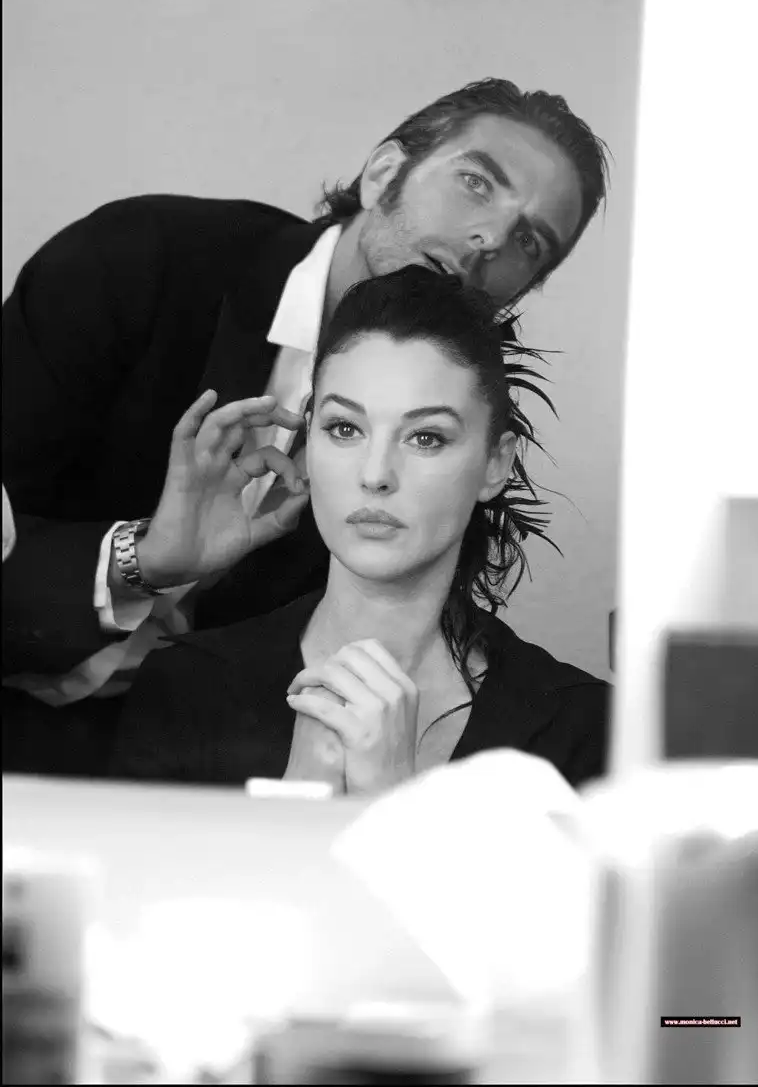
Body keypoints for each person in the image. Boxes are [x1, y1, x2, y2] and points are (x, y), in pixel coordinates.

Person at [2, 77, 609, 757]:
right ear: (383, 173)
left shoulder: (451, 435)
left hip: (200, 761)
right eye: (475, 183)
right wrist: (143, 559)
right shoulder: (140, 260)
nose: (490, 238)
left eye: (530, 241)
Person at [108, 268, 610, 794]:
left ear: (495, 463)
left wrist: (385, 798)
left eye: (426, 438)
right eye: (345, 429)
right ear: (308, 440)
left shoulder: (579, 727)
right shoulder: (186, 687)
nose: (375, 475)